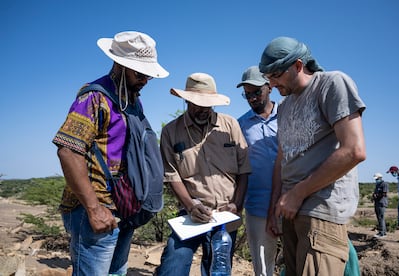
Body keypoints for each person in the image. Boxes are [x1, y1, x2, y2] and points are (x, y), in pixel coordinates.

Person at [52, 31, 168, 275]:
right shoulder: (94, 97)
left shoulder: (131, 100)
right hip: (96, 209)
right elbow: (68, 152)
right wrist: (94, 209)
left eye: (148, 74)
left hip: (123, 206)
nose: (145, 79)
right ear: (120, 64)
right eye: (140, 73)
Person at [260, 36, 366, 275]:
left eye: (276, 75)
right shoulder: (285, 107)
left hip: (321, 213)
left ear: (298, 65)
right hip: (289, 210)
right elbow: (282, 158)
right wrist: (276, 205)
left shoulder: (332, 84)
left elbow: (354, 150)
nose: (273, 84)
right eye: (268, 78)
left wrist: (298, 193)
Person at [155, 72, 251, 276]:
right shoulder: (171, 132)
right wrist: (191, 206)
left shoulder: (230, 125)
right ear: (186, 100)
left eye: (207, 104)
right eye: (197, 103)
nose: (202, 109)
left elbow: (244, 170)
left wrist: (237, 204)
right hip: (191, 215)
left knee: (217, 268)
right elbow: (172, 175)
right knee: (173, 266)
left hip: (226, 215)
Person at [236, 66, 280, 276]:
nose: (252, 98)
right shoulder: (240, 125)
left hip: (292, 202)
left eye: (256, 92)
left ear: (269, 87)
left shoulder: (289, 115)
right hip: (257, 205)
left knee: (298, 260)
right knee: (263, 266)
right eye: (247, 94)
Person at [372, 172, 389, 238]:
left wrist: (377, 195)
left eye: (377, 179)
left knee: (381, 217)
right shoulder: (377, 185)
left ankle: (382, 233)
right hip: (377, 203)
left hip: (381, 203)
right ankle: (381, 231)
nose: (376, 180)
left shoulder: (384, 184)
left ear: (380, 178)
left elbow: (384, 193)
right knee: (379, 218)